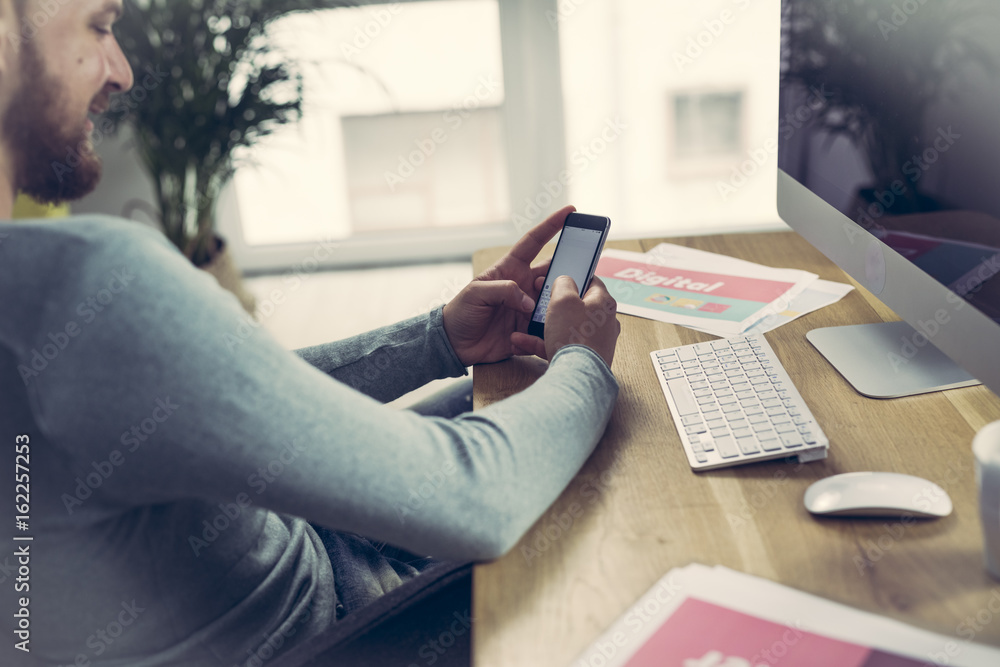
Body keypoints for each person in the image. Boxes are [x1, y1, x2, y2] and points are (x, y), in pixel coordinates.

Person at [0, 1, 621, 665]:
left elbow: (218, 402)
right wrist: (583, 359)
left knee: (535, 394)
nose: (121, 71)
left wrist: (435, 340)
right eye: (98, 26)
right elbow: (476, 499)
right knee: (628, 479)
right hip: (363, 620)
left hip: (323, 547)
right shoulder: (84, 284)